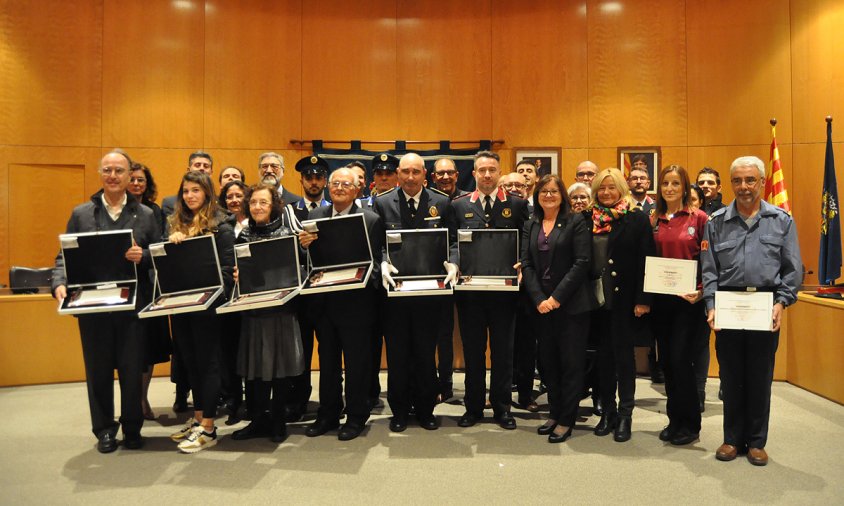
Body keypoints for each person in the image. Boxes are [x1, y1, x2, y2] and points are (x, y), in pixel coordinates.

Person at [52, 150, 159, 453]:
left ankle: (133, 427)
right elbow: (64, 257)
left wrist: (145, 255)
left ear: (129, 176)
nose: (113, 176)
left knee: (131, 369)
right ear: (101, 174)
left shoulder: (147, 215)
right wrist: (59, 283)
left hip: (132, 308)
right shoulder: (81, 213)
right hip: (93, 307)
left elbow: (160, 256)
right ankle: (105, 431)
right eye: (107, 170)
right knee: (98, 371)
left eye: (119, 171)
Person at [702, 155, 802, 466]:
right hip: (729, 306)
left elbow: (793, 269)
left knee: (759, 376)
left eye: (750, 180)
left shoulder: (781, 220)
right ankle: (732, 439)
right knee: (731, 377)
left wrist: (781, 302)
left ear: (761, 182)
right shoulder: (716, 222)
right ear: (730, 184)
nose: (743, 187)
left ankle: (757, 442)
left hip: (764, 305)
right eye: (737, 181)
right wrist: (711, 305)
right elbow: (709, 270)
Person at [298, 168, 385, 441]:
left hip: (356, 306)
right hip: (324, 304)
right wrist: (303, 245)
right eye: (334, 183)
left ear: (357, 189)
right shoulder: (314, 217)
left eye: (345, 184)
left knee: (357, 364)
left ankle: (357, 416)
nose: (338, 188)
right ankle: (328, 414)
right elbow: (308, 259)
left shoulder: (370, 219)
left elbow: (375, 261)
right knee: (328, 363)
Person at [373, 153, 458, 432]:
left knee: (424, 353)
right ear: (398, 174)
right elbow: (377, 244)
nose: (410, 177)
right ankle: (399, 411)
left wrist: (454, 262)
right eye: (405, 172)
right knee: (398, 355)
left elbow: (453, 240)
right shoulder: (383, 202)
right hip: (395, 294)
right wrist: (382, 262)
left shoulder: (442, 202)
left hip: (429, 294)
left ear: (425, 174)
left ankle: (425, 410)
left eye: (416, 172)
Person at [452, 151, 530, 430]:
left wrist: (524, 263)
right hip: (471, 294)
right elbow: (452, 242)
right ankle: (473, 408)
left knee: (503, 353)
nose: (487, 175)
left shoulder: (518, 205)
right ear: (473, 174)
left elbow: (527, 241)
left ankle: (502, 408)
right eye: (482, 170)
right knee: (473, 353)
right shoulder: (459, 206)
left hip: (504, 294)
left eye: (492, 170)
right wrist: (454, 263)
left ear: (499, 174)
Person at [522, 174, 596, 443]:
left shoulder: (575, 221)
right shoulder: (531, 224)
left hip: (571, 306)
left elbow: (582, 262)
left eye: (554, 191)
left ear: (562, 195)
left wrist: (556, 298)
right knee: (549, 363)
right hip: (541, 307)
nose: (549, 195)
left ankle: (567, 418)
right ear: (537, 195)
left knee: (571, 363)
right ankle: (554, 412)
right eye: (544, 191)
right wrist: (539, 298)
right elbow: (526, 263)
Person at [230, 184, 305, 443]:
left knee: (279, 368)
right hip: (252, 313)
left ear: (273, 205)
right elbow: (234, 272)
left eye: (263, 202)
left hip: (281, 312)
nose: (258, 207)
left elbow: (301, 272)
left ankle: (278, 421)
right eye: (253, 203)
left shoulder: (288, 234)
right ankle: (258, 419)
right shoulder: (242, 237)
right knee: (255, 368)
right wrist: (237, 276)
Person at [166, 171, 235, 453]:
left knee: (208, 365)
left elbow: (228, 271)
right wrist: (174, 245)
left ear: (207, 192)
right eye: (185, 191)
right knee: (190, 364)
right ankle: (197, 420)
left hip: (208, 308)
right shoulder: (175, 224)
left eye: (195, 190)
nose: (190, 196)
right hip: (181, 305)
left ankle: (208, 427)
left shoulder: (223, 226)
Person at [589, 168, 655, 442]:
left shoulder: (636, 218)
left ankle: (626, 414)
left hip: (625, 301)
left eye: (611, 188)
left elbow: (646, 260)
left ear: (621, 189)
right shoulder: (586, 218)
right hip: (594, 301)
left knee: (624, 360)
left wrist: (643, 299)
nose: (606, 193)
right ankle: (608, 412)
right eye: (601, 189)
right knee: (602, 360)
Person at [649, 165, 710, 446]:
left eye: (676, 183)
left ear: (685, 187)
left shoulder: (699, 219)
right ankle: (674, 420)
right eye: (665, 183)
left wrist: (701, 291)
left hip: (689, 302)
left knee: (681, 360)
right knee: (667, 364)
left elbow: (711, 261)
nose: (670, 188)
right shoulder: (654, 219)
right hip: (662, 301)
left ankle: (690, 424)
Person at [285, 155, 331, 422]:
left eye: (318, 177)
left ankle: (329, 401)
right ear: (301, 180)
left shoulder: (334, 207)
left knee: (328, 351)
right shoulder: (291, 211)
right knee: (300, 350)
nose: (314, 182)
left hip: (327, 292)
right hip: (301, 292)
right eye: (309, 177)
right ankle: (299, 399)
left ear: (324, 180)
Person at [127, 162, 172, 421]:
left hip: (149, 286)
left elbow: (159, 248)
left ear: (147, 184)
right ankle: (133, 401)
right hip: (123, 289)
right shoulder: (115, 211)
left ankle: (143, 397)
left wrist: (142, 255)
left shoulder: (153, 211)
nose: (136, 184)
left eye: (141, 180)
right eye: (132, 179)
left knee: (149, 348)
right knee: (130, 350)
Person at [162, 151, 215, 218]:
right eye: (197, 165)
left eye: (206, 166)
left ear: (211, 173)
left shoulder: (219, 202)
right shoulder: (170, 203)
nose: (202, 168)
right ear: (188, 170)